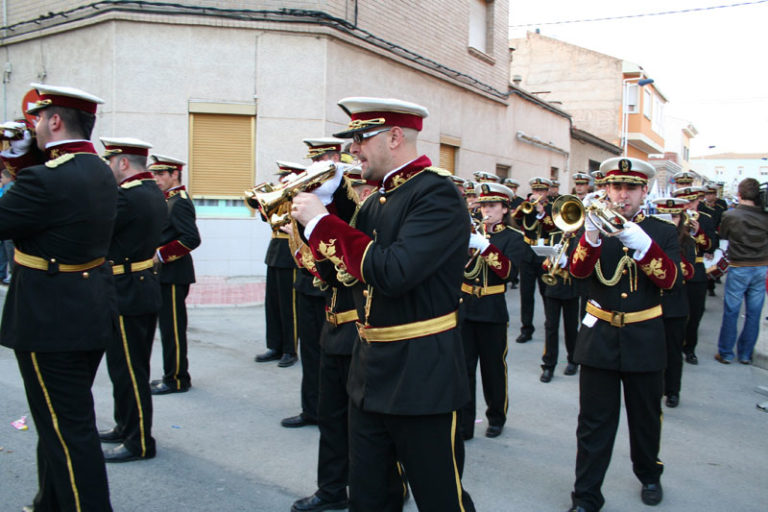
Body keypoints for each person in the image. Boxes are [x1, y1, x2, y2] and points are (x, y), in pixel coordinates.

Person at [292, 97, 475, 511]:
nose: (352, 149)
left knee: (440, 497)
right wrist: (332, 205)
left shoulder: (436, 194)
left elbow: (393, 271)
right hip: (369, 369)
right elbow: (341, 272)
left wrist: (323, 221)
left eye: (361, 138)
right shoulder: (376, 200)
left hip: (421, 373)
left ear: (395, 137)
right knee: (371, 496)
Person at [0, 83, 117, 511]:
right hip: (86, 310)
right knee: (60, 423)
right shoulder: (98, 169)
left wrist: (11, 159)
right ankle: (48, 502)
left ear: (53, 120)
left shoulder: (46, 179)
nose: (30, 127)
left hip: (48, 319)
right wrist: (24, 157)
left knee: (68, 432)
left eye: (36, 119)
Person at [566, 157, 680, 512]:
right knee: (593, 424)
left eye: (630, 187)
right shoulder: (591, 224)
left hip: (644, 336)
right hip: (599, 337)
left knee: (645, 419)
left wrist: (642, 245)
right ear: (606, 189)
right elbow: (577, 274)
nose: (622, 195)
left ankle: (649, 474)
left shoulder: (662, 231)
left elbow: (671, 280)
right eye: (615, 187)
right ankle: (586, 496)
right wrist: (591, 235)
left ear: (644, 190)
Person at [291, 168, 378, 512]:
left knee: (367, 425)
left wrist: (335, 201)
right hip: (333, 330)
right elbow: (323, 271)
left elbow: (355, 268)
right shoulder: (336, 224)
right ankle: (331, 489)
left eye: (362, 186)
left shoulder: (365, 222)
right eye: (355, 186)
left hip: (359, 332)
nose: (361, 192)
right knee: (330, 421)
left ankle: (386, 485)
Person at [97, 137, 167, 462]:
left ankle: (138, 441)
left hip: (127, 288)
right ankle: (124, 425)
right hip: (137, 285)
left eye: (111, 161)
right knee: (123, 366)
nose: (108, 168)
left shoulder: (127, 197)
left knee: (129, 369)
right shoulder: (151, 191)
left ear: (123, 163)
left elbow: (99, 234)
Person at [280, 139, 349, 429]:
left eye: (319, 158)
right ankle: (311, 408)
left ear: (333, 157)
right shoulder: (315, 188)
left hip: (329, 285)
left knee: (329, 355)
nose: (313, 166)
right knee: (310, 352)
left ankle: (331, 411)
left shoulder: (344, 187)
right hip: (306, 283)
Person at [460, 182, 530, 439]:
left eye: (492, 206)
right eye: (483, 205)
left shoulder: (513, 237)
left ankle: (496, 417)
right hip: (466, 308)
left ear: (504, 209)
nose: (486, 210)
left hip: (492, 310)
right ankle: (465, 423)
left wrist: (486, 247)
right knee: (464, 368)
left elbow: (509, 273)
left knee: (493, 369)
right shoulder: (468, 232)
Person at [149, 154, 201, 394]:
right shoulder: (168, 199)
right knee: (167, 329)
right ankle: (171, 373)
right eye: (154, 173)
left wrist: (159, 255)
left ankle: (177, 378)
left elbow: (191, 238)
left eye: (161, 174)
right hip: (166, 274)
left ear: (175, 174)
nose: (156, 178)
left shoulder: (179, 201)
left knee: (173, 330)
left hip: (173, 273)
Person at [254, 161, 304, 368]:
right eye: (280, 178)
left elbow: (293, 222)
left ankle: (290, 350)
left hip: (289, 252)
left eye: (285, 177)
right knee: (272, 304)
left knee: (288, 305)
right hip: (275, 251)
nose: (281, 181)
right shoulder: (279, 195)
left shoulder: (299, 197)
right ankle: (274, 346)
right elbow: (267, 219)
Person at [715, 177, 768, 364]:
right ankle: (745, 354)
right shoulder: (765, 215)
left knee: (732, 311)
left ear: (739, 193)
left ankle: (726, 352)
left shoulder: (730, 215)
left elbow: (723, 236)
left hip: (739, 267)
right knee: (754, 313)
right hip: (761, 267)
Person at [652, 197, 693, 408]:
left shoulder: (686, 241)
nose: (671, 221)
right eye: (665, 217)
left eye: (675, 216)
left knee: (674, 351)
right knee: (653, 350)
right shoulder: (651, 236)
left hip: (675, 304)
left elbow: (689, 272)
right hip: (653, 304)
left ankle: (673, 390)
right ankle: (655, 388)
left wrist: (670, 254)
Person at [672, 186, 715, 365]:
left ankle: (690, 348)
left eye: (692, 201)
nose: (688, 205)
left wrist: (698, 232)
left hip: (696, 270)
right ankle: (673, 346)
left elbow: (710, 246)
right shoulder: (672, 218)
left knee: (695, 313)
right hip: (675, 268)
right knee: (674, 313)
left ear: (698, 201)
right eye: (684, 202)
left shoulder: (705, 219)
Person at [513, 176, 554, 343]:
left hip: (544, 254)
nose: (538, 193)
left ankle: (550, 325)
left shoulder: (552, 208)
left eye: (541, 191)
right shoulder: (525, 206)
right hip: (527, 252)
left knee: (546, 293)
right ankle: (526, 328)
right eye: (536, 190)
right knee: (526, 293)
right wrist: (525, 208)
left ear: (547, 192)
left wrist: (541, 212)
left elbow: (552, 227)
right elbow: (515, 220)